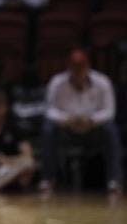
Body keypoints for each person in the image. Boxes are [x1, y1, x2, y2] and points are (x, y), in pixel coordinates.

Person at [40, 50, 122, 194]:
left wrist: (91, 120)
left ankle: (114, 180)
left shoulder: (102, 82)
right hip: (66, 129)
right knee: (48, 129)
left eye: (81, 67)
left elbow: (109, 111)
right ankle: (48, 179)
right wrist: (66, 119)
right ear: (68, 67)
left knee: (111, 129)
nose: (78, 71)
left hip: (93, 129)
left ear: (87, 67)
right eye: (74, 67)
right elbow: (49, 110)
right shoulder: (57, 82)